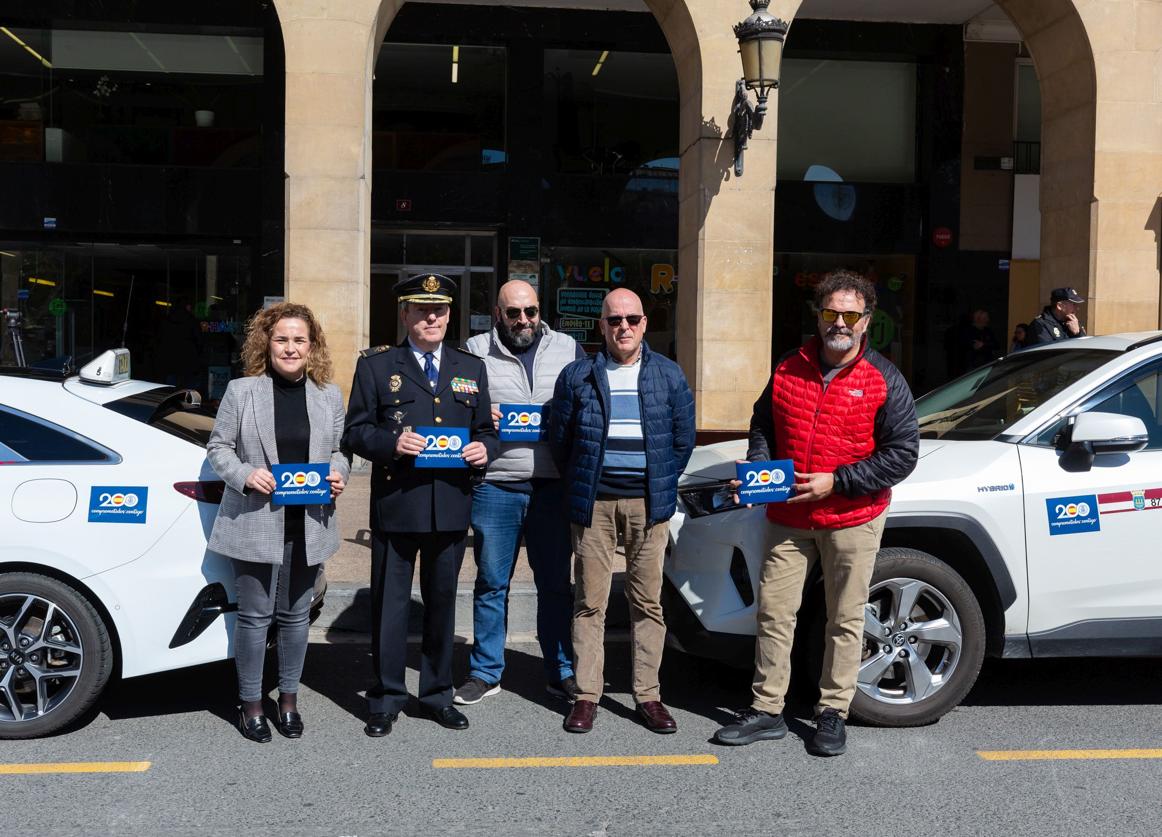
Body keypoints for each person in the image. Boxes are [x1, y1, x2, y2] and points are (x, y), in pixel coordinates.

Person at [714, 269, 918, 757]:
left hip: (853, 517)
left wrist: (838, 480)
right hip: (789, 518)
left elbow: (903, 453)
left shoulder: (884, 378)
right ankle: (767, 711)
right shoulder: (789, 366)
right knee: (774, 614)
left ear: (867, 321)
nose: (840, 323)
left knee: (845, 618)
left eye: (851, 314)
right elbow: (763, 422)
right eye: (832, 313)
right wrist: (761, 467)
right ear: (818, 315)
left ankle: (832, 713)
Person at [343, 273, 498, 738]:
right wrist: (395, 442)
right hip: (398, 505)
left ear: (449, 315)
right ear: (405, 314)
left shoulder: (471, 368)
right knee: (390, 607)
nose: (432, 317)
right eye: (421, 309)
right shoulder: (376, 366)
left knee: (441, 606)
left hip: (449, 506)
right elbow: (355, 432)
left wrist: (483, 449)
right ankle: (387, 697)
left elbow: (486, 430)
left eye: (440, 310)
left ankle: (436, 694)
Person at [548, 288, 695, 734]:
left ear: (644, 323)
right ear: (602, 326)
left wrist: (659, 487)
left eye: (632, 319)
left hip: (648, 507)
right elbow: (562, 441)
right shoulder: (577, 376)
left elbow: (682, 440)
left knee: (646, 603)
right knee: (589, 602)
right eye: (614, 320)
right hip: (594, 504)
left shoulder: (669, 375)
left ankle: (648, 695)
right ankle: (588, 694)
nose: (624, 327)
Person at [206, 302, 350, 743]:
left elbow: (340, 449)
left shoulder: (329, 395)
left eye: (299, 340)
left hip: (308, 522)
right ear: (266, 344)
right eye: (282, 339)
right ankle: (250, 703)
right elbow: (218, 449)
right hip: (254, 520)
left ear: (312, 347)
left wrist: (338, 472)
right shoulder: (241, 391)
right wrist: (246, 475)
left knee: (296, 617)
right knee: (253, 618)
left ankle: (288, 699)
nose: (290, 347)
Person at [454, 280, 586, 707]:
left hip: (552, 486)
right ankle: (485, 671)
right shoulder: (474, 351)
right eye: (514, 313)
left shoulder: (567, 348)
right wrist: (478, 413)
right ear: (498, 314)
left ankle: (561, 671)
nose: (523, 320)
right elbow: (454, 410)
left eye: (530, 311)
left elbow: (587, 404)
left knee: (555, 585)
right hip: (496, 486)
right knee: (492, 582)